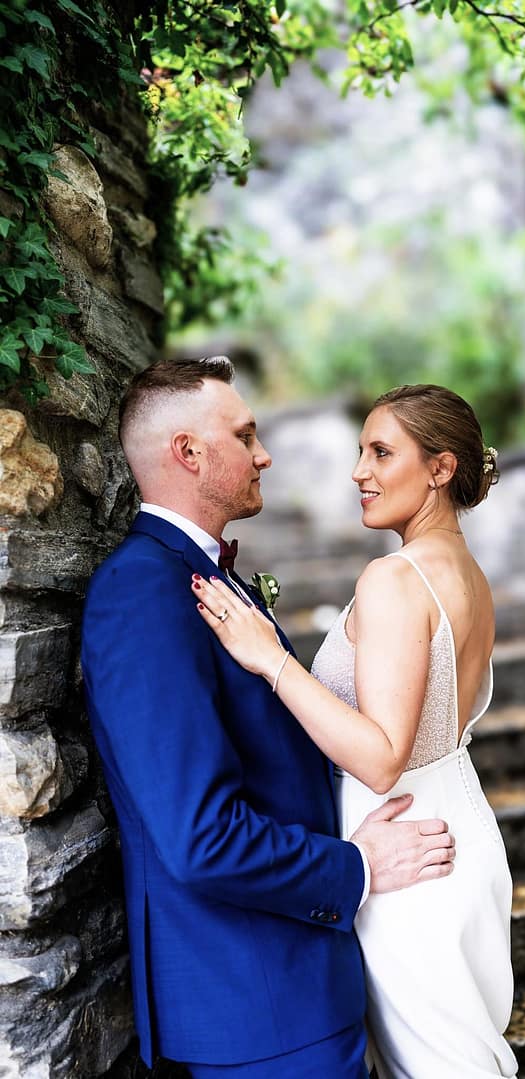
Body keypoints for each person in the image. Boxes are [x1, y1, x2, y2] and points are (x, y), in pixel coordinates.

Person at [81, 359, 457, 1079]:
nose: (264, 453)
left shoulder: (200, 575)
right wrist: (355, 866)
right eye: (244, 434)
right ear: (188, 453)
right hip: (257, 1008)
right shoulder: (141, 594)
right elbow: (200, 837)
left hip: (294, 990)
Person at [193, 383, 519, 1079]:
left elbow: (379, 758)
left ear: (440, 467)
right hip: (454, 824)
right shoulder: (468, 575)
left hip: (406, 850)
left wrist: (271, 660)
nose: (357, 472)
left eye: (380, 452)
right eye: (358, 451)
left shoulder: (394, 580)